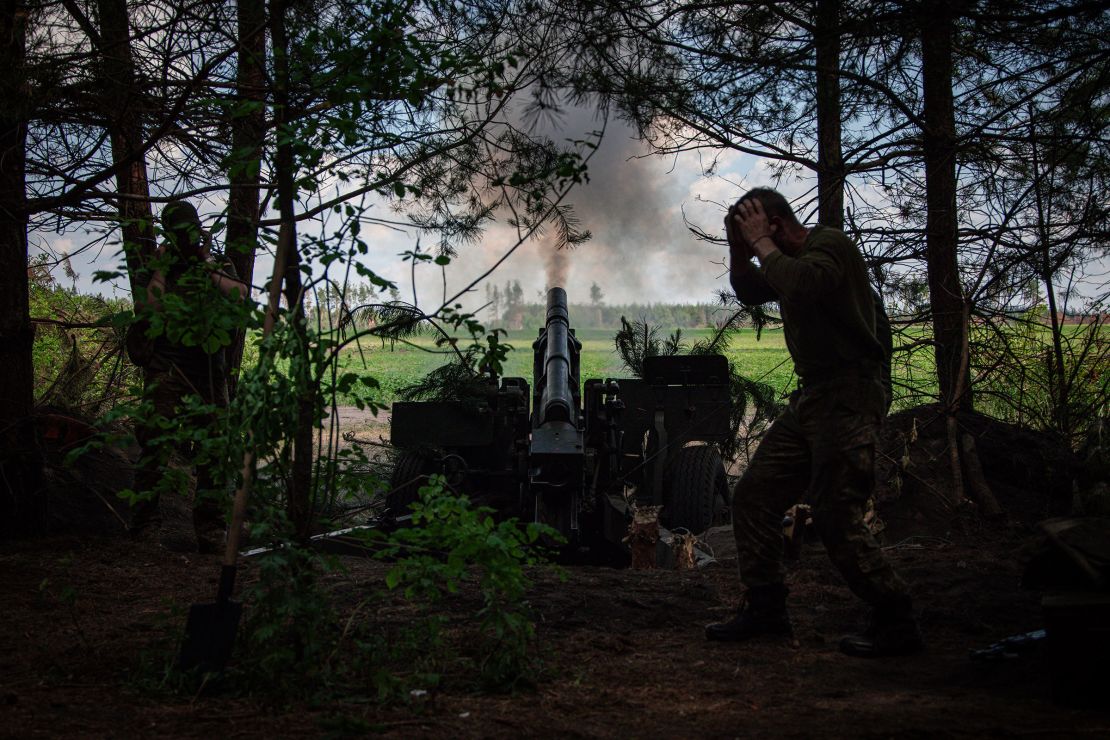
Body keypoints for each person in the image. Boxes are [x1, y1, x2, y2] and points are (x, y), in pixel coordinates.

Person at [705, 188, 922, 657]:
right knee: (755, 496)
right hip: (813, 399)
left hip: (849, 394)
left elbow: (802, 283)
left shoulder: (830, 247)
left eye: (754, 232)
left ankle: (896, 618)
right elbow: (750, 290)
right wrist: (739, 251)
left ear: (777, 226)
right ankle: (766, 609)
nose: (754, 244)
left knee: (835, 512)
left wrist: (761, 243)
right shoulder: (784, 260)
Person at [129, 200, 247, 552]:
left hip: (208, 370)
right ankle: (144, 527)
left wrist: (206, 263)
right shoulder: (157, 268)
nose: (186, 240)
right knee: (155, 447)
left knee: (213, 451)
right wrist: (163, 269)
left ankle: (211, 531)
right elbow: (147, 310)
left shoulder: (216, 263)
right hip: (167, 367)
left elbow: (239, 297)